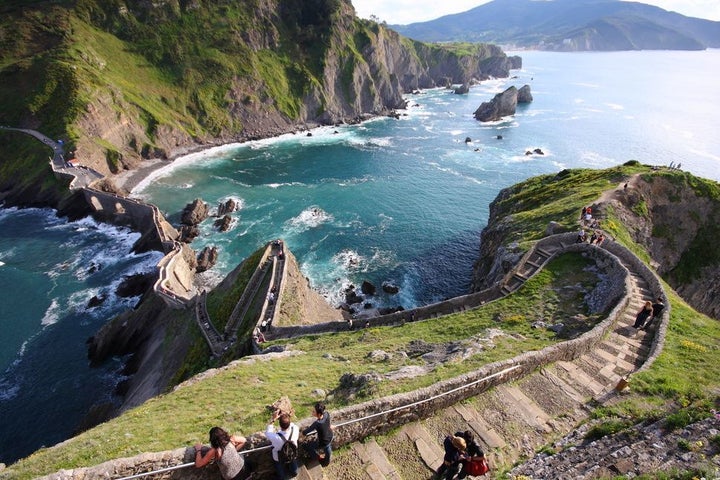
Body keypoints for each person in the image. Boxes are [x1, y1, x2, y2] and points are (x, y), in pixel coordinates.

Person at [266, 411, 299, 479]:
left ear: (280, 425)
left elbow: (268, 432)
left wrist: (273, 419)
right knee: (293, 461)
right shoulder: (295, 429)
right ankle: (295, 472)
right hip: (292, 453)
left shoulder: (275, 437)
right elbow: (292, 425)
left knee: (279, 465)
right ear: (289, 423)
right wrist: (287, 416)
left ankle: (282, 477)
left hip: (279, 456)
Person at [302, 402, 334, 467]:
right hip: (330, 436)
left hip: (323, 442)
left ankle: (318, 457)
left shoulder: (317, 423)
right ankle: (327, 461)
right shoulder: (326, 414)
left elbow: (306, 432)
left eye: (314, 411)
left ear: (319, 414)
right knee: (328, 450)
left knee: (307, 446)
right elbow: (328, 422)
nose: (312, 412)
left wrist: (301, 434)